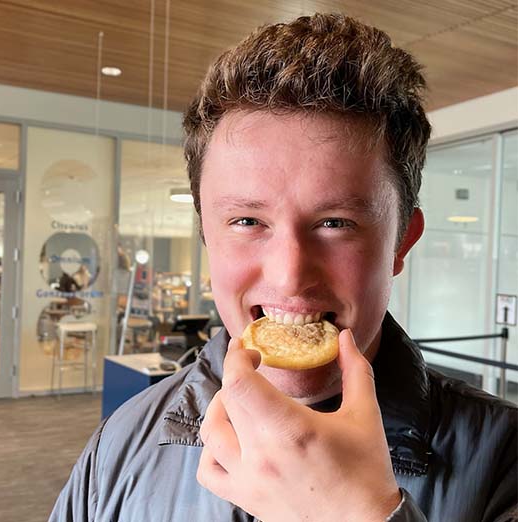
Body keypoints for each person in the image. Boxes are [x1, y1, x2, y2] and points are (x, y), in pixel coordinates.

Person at [50, 13, 517, 522]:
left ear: (402, 241)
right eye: (247, 220)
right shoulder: (120, 445)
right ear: (207, 234)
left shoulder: (504, 463)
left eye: (336, 222)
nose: (290, 275)